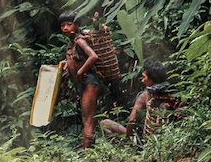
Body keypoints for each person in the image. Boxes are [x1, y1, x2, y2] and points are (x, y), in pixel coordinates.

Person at [100, 60, 177, 140]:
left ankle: (125, 146)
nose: (142, 80)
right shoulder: (169, 93)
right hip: (166, 137)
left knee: (104, 123)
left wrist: (128, 137)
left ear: (152, 79)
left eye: (144, 77)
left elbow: (132, 120)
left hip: (147, 139)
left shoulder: (145, 95)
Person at [58, 11, 100, 148]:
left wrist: (80, 72)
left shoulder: (79, 40)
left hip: (89, 82)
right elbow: (77, 59)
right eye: (63, 25)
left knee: (87, 119)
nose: (65, 28)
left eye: (69, 24)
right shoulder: (73, 43)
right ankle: (90, 149)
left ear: (76, 25)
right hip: (84, 83)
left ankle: (87, 153)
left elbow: (93, 56)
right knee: (86, 118)